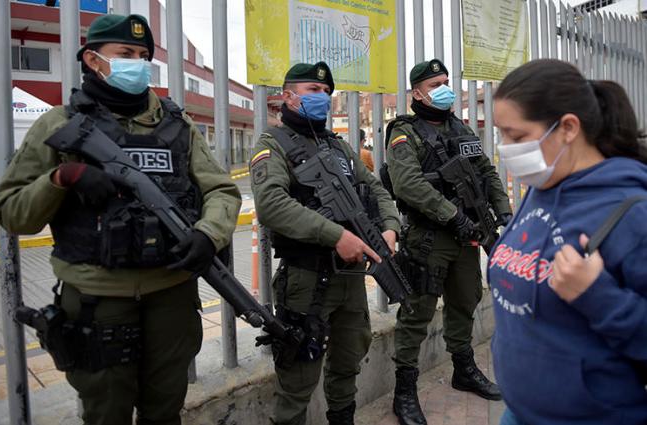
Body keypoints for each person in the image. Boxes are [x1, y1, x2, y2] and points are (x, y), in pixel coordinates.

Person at [0, 14, 241, 425]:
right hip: (97, 300)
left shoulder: (177, 125)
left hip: (171, 293)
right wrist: (62, 178)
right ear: (93, 60)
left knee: (165, 411)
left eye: (144, 56)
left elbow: (221, 190)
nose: (138, 64)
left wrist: (207, 234)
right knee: (106, 413)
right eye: (125, 54)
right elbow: (12, 212)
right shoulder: (60, 124)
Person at [490, 59, 647, 425]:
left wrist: (598, 296)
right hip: (519, 411)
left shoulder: (632, 213)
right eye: (501, 134)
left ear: (568, 128)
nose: (504, 148)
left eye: (516, 137)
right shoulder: (541, 187)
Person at [250, 61, 400, 425]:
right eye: (312, 91)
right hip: (306, 280)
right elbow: (272, 204)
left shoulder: (339, 147)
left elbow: (376, 189)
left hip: (349, 279)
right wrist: (335, 235)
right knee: (298, 377)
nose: (323, 98)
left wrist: (391, 227)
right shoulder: (273, 143)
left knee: (348, 363)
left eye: (326, 93)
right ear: (288, 97)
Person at [384, 59, 512, 424]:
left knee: (464, 301)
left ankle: (463, 369)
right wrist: (453, 215)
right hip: (430, 237)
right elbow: (408, 183)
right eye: (436, 83)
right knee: (416, 314)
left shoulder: (462, 128)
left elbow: (486, 172)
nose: (445, 88)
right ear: (417, 93)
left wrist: (501, 212)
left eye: (446, 81)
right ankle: (404, 390)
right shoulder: (403, 133)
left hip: (467, 237)